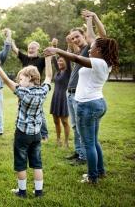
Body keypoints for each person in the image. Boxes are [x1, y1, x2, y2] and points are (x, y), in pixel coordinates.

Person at [44, 33, 118, 184]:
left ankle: (92, 177)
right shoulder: (103, 63)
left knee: (88, 143)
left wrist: (57, 50)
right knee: (93, 141)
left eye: (93, 48)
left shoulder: (99, 63)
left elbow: (76, 59)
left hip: (88, 105)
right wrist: (90, 20)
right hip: (96, 103)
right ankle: (100, 171)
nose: (90, 50)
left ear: (101, 51)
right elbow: (88, 41)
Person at [0, 54, 53, 198]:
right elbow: (49, 77)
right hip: (36, 134)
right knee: (37, 163)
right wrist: (48, 59)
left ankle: (22, 192)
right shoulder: (43, 91)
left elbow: (5, 80)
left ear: (30, 79)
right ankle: (38, 192)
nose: (19, 81)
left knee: (21, 163)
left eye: (21, 78)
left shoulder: (23, 92)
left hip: (22, 134)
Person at [64, 10, 106, 165]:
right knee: (76, 127)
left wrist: (92, 19)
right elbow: (72, 52)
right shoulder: (81, 51)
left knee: (82, 129)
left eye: (78, 36)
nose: (75, 39)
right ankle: (79, 152)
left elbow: (99, 35)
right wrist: (69, 42)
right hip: (71, 93)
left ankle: (83, 157)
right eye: (73, 37)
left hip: (81, 96)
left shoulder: (90, 48)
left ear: (84, 36)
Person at [11, 40, 49, 141]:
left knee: (39, 113)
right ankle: (21, 129)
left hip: (36, 90)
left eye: (32, 48)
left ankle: (44, 134)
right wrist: (11, 40)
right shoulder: (25, 58)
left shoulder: (41, 60)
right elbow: (15, 50)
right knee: (21, 109)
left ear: (37, 49)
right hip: (23, 90)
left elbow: (50, 63)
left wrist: (53, 47)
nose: (30, 50)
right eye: (29, 48)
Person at [49, 38, 71, 148]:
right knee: (56, 121)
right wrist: (53, 45)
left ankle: (66, 141)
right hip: (55, 97)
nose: (59, 62)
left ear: (66, 62)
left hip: (64, 98)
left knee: (64, 121)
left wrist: (68, 44)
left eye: (61, 61)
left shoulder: (68, 72)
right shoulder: (58, 71)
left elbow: (67, 56)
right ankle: (58, 140)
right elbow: (53, 59)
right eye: (59, 61)